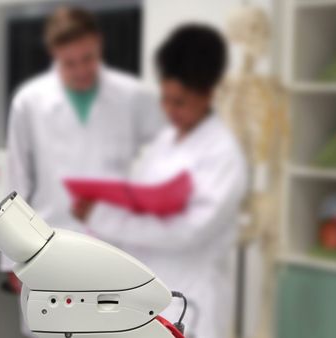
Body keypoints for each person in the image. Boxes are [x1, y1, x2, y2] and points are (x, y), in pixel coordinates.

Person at [74, 24, 248, 338]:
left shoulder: (223, 154)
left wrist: (104, 220)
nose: (170, 110)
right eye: (165, 99)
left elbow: (186, 233)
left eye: (180, 102)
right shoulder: (164, 142)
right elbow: (137, 205)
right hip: (148, 296)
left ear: (208, 94)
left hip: (193, 301)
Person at [3, 6, 163, 273]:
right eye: (69, 63)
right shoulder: (29, 102)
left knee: (116, 313)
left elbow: (165, 158)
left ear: (98, 44)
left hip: (117, 248)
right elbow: (16, 180)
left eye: (87, 58)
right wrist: (11, 259)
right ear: (54, 53)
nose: (80, 71)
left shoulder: (133, 97)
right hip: (49, 247)